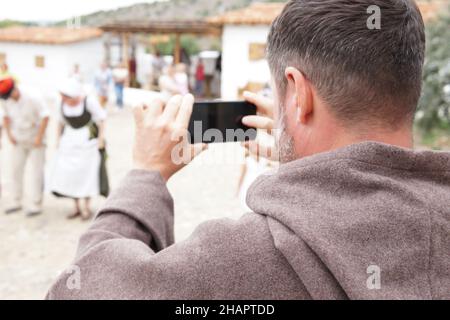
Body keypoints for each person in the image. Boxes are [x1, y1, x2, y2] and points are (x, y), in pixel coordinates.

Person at [47, 0, 450, 300]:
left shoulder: (244, 259)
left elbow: (77, 289)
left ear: (297, 92)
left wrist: (146, 174)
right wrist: (313, 154)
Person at [48, 78, 109, 221]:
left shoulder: (89, 102)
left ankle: (86, 207)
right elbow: (60, 122)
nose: (63, 98)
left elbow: (102, 120)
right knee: (71, 175)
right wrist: (57, 140)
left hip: (87, 142)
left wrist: (100, 139)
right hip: (69, 142)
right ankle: (75, 207)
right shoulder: (60, 103)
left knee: (87, 175)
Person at [0, 77, 49, 217]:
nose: (9, 98)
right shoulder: (6, 100)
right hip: (18, 138)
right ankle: (16, 201)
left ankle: (36, 203)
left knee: (36, 172)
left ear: (15, 89)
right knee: (15, 170)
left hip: (35, 139)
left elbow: (45, 116)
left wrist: (39, 137)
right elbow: (6, 117)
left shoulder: (33, 96)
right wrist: (9, 134)